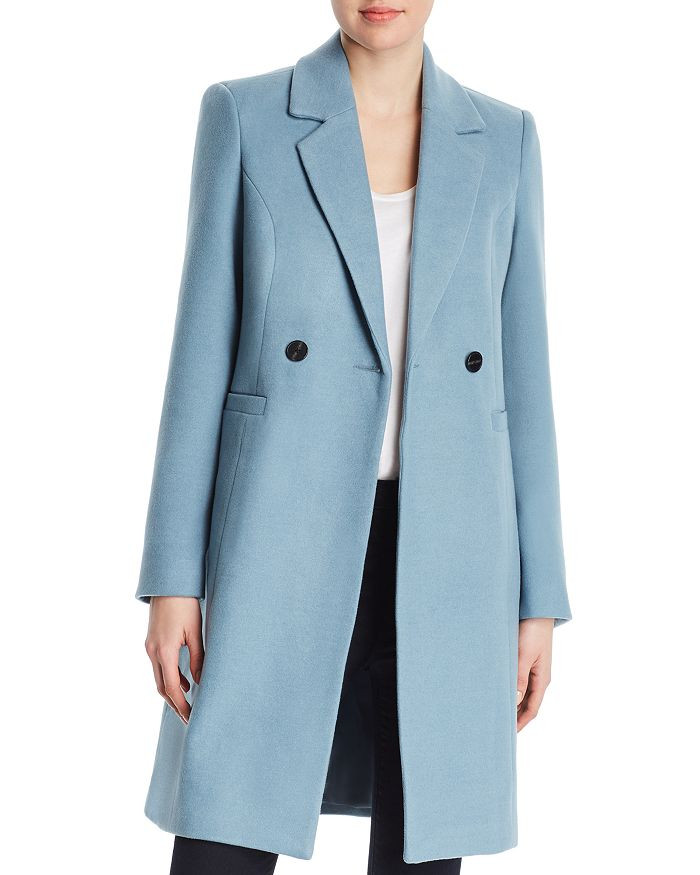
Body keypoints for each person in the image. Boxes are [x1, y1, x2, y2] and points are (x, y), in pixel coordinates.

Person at [136, 2, 572, 873]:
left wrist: (539, 597)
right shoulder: (246, 116)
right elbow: (198, 358)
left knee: (423, 845)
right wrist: (172, 578)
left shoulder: (505, 141)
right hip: (274, 536)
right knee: (224, 833)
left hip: (450, 552)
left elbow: (522, 385)